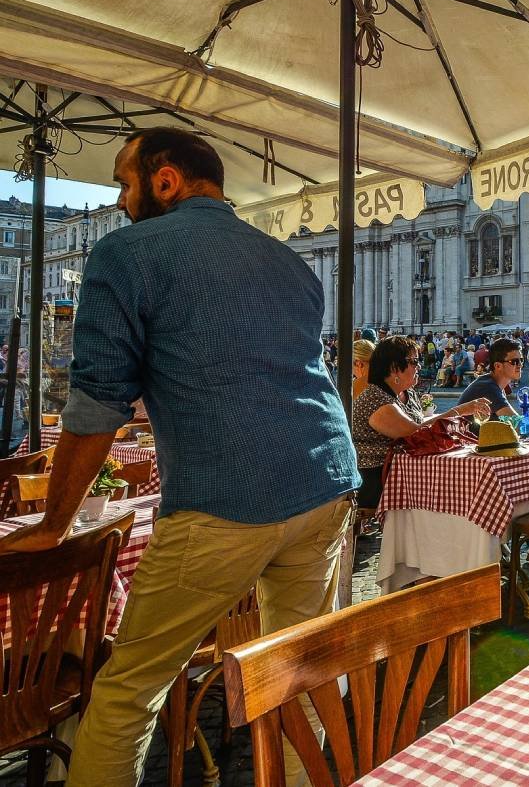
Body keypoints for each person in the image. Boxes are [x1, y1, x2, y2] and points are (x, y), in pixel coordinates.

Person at [0, 128, 360, 787]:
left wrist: (54, 524)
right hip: (325, 482)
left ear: (166, 181)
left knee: (128, 688)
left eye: (124, 181)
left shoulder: (125, 252)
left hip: (228, 495)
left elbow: (96, 402)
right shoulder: (290, 264)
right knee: (300, 663)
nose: (118, 196)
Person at [354, 337, 490, 509]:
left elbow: (418, 422)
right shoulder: (375, 398)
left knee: (458, 486)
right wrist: (461, 410)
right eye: (414, 361)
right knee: (452, 491)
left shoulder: (404, 393)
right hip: (375, 480)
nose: (419, 366)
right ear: (395, 368)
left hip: (404, 473)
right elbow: (415, 434)